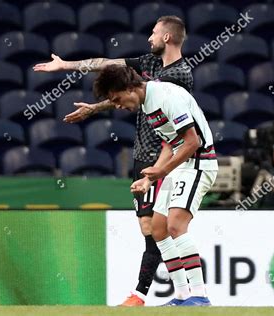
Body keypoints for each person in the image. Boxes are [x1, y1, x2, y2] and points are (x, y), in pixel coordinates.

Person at [33, 16, 193, 306]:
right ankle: (178, 293)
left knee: (157, 227)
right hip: (142, 153)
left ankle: (148, 293)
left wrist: (95, 109)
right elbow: (108, 64)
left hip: (165, 154)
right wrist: (66, 66)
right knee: (148, 226)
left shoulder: (180, 75)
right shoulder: (149, 61)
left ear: (167, 37)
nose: (149, 38)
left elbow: (139, 96)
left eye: (154, 33)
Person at [93, 65, 218, 306]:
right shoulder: (148, 103)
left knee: (175, 226)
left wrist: (162, 171)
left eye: (117, 99)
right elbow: (170, 145)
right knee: (158, 229)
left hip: (198, 163)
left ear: (130, 88)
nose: (117, 106)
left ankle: (200, 295)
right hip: (180, 164)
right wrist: (150, 179)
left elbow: (193, 142)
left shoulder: (166, 97)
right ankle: (182, 295)